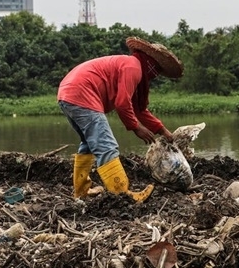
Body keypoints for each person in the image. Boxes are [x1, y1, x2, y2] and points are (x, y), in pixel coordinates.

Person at [57, 36, 184, 203]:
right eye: (157, 70)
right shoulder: (134, 68)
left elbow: (139, 109)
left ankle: (81, 191)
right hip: (82, 93)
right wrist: (135, 127)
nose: (156, 75)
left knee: (88, 144)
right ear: (151, 63)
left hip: (67, 94)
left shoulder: (131, 66)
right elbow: (122, 103)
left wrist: (164, 132)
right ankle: (122, 195)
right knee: (107, 146)